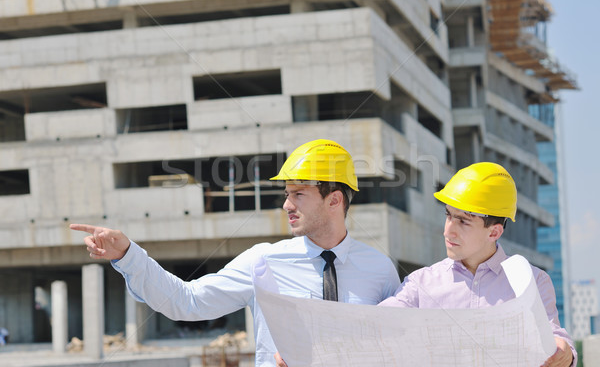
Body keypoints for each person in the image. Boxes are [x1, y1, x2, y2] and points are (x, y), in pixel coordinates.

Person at [72, 139, 400, 367]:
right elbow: (187, 301)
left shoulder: (380, 269)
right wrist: (129, 255)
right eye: (287, 194)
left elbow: (397, 349)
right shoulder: (264, 262)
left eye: (299, 193)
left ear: (334, 200)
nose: (287, 205)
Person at [379, 162, 576, 367]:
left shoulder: (531, 282)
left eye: (463, 221)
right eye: (448, 215)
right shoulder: (420, 285)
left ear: (494, 232)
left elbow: (555, 341)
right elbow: (373, 324)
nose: (448, 231)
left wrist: (564, 353)